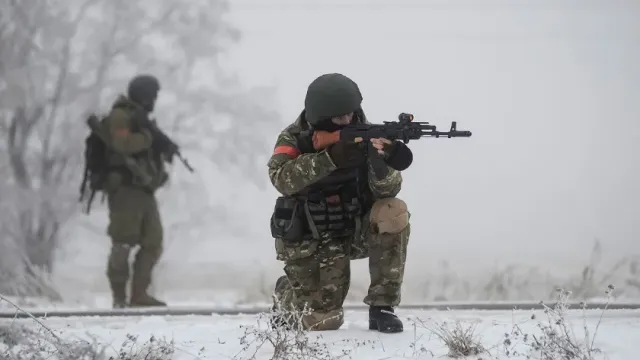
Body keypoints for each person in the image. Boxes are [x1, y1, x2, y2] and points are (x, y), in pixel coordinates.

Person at [267, 73, 414, 333]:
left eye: (350, 114)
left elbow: (389, 189)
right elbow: (280, 178)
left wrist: (381, 162)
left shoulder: (367, 133)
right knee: (324, 321)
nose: (347, 120)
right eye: (338, 118)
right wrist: (330, 159)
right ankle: (287, 295)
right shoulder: (294, 136)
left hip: (354, 229)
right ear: (320, 115)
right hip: (312, 238)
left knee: (393, 211)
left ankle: (382, 307)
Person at [101, 74, 169, 308]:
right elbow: (122, 144)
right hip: (125, 189)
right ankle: (119, 297)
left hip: (144, 189)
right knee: (123, 241)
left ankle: (139, 294)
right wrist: (149, 138)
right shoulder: (121, 115)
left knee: (153, 242)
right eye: (153, 96)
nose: (155, 101)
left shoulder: (142, 119)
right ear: (144, 95)